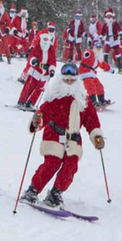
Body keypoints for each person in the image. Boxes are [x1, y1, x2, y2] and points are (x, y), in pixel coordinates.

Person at [20, 63, 104, 208]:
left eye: (72, 78)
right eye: (66, 78)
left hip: (73, 139)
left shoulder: (83, 100)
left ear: (77, 80)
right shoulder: (54, 98)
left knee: (70, 166)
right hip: (54, 135)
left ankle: (55, 193)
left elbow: (92, 121)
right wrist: (36, 122)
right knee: (52, 163)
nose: (70, 81)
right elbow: (41, 115)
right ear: (61, 79)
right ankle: (32, 191)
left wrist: (96, 136)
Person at [17, 33, 56, 109]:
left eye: (46, 40)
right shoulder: (37, 47)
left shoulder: (51, 50)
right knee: (29, 86)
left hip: (45, 74)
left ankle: (31, 102)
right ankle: (22, 101)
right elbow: (32, 56)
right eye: (44, 40)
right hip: (36, 71)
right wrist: (33, 60)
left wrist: (52, 69)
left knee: (39, 89)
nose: (45, 42)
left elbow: (53, 61)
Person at [79, 42, 115, 108]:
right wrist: (87, 53)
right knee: (91, 87)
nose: (98, 49)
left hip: (92, 74)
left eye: (99, 48)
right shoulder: (90, 52)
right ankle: (93, 102)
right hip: (84, 73)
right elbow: (85, 55)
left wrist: (110, 69)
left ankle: (102, 100)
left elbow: (103, 64)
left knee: (99, 86)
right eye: (97, 47)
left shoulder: (99, 58)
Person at [101, 8, 122, 73]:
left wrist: (121, 34)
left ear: (112, 16)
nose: (108, 18)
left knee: (117, 53)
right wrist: (101, 37)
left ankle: (120, 67)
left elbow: (120, 29)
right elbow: (102, 32)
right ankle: (106, 67)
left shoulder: (115, 23)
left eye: (110, 16)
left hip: (115, 40)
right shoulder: (105, 24)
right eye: (107, 16)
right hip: (108, 40)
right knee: (106, 52)